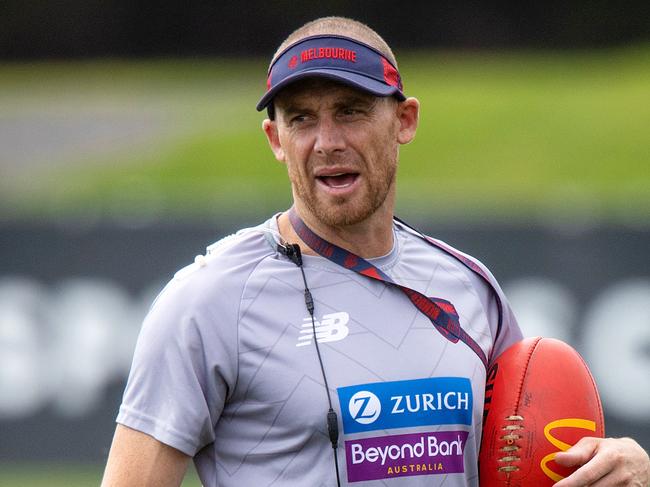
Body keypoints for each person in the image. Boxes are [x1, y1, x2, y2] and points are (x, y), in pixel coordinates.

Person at [101, 16, 650, 487]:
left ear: (404, 120)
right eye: (301, 119)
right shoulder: (207, 301)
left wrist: (614, 468)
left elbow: (521, 460)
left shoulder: (469, 287)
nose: (327, 141)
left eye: (352, 110)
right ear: (275, 139)